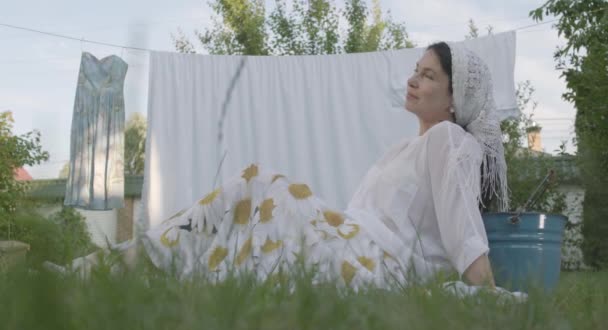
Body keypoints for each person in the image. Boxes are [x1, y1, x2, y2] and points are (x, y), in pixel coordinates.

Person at [48, 41, 509, 290]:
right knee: (241, 208)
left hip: (382, 263)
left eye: (428, 75)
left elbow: (461, 224)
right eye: (416, 69)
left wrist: (486, 289)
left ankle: (113, 265)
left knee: (260, 185)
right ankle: (114, 266)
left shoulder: (451, 141)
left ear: (454, 98)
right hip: (352, 243)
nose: (413, 79)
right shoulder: (399, 150)